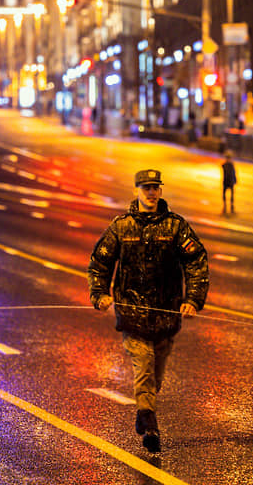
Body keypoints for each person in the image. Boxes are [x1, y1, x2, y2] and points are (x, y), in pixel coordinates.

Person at [88, 169, 209, 454]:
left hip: (166, 317)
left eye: (155, 188)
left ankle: (144, 409)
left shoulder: (176, 227)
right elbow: (100, 263)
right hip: (132, 316)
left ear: (161, 192)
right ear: (137, 191)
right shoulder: (121, 227)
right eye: (146, 188)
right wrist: (100, 294)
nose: (151, 193)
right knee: (143, 368)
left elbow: (196, 261)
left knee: (156, 375)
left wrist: (193, 299)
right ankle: (150, 424)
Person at [221, 151, 237, 215]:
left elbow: (234, 173)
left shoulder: (230, 165)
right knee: (225, 194)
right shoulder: (225, 165)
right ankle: (225, 206)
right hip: (226, 181)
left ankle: (231, 206)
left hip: (230, 182)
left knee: (231, 195)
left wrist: (235, 180)